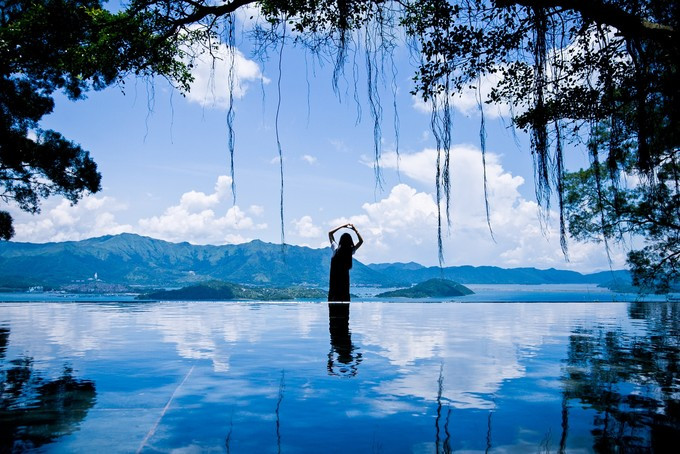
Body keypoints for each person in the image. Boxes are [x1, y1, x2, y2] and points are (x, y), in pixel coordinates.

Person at [328, 223, 363, 302]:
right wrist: (355, 230)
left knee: (333, 308)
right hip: (344, 287)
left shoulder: (336, 249)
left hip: (334, 285)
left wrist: (342, 226)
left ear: (340, 241)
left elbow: (330, 233)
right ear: (350, 242)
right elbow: (361, 241)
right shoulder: (350, 252)